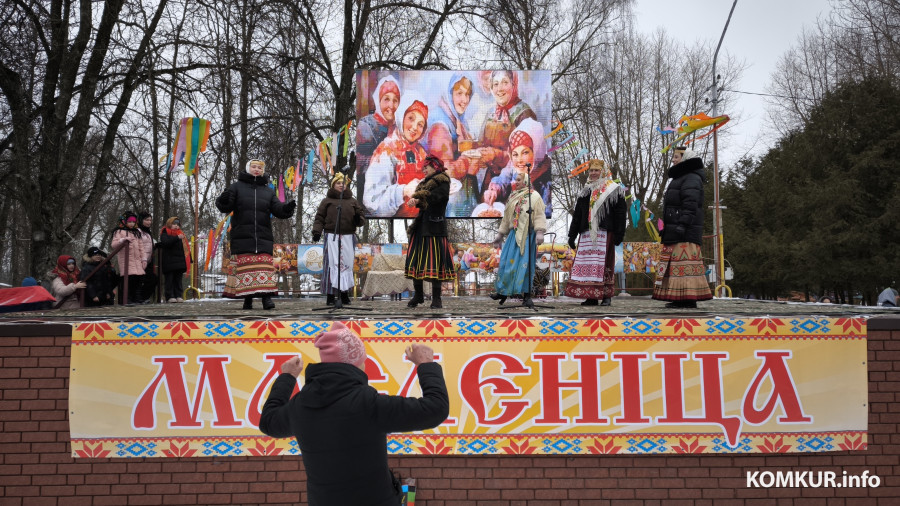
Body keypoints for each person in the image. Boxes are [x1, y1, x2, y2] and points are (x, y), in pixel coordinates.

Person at [259, 322, 449, 506]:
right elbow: (435, 408)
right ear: (355, 365)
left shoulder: (299, 405)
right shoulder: (368, 403)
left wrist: (287, 377)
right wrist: (426, 364)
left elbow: (268, 422)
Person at [216, 158, 296, 310]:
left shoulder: (268, 191)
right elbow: (225, 206)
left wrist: (287, 208)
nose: (257, 169)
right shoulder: (236, 187)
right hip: (242, 235)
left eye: (260, 167)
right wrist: (223, 199)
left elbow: (278, 209)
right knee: (247, 268)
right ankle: (247, 299)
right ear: (248, 168)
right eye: (254, 166)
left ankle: (267, 299)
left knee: (264, 268)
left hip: (263, 235)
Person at [652, 147, 713, 308]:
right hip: (677, 227)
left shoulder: (691, 178)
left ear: (686, 158)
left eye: (676, 157)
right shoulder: (682, 177)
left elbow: (691, 204)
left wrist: (683, 224)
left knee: (684, 264)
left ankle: (689, 299)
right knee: (677, 265)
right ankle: (681, 298)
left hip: (685, 230)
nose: (673, 159)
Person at [564, 159, 627, 306]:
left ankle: (606, 296)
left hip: (604, 233)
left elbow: (620, 213)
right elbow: (578, 215)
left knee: (603, 264)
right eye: (591, 170)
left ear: (603, 171)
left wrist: (619, 234)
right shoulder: (585, 191)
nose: (593, 173)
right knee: (589, 265)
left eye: (596, 170)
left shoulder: (614, 189)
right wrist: (572, 235)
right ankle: (591, 296)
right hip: (586, 234)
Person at [423, 73, 480, 216]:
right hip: (449, 204)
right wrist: (467, 161)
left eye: (467, 94)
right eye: (459, 93)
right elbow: (443, 171)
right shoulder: (440, 124)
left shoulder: (456, 118)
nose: (465, 100)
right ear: (449, 93)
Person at [489, 172, 547, 309]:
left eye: (519, 180)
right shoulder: (513, 196)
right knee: (505, 263)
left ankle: (527, 297)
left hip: (527, 236)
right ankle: (502, 292)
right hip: (513, 236)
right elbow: (506, 218)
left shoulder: (535, 196)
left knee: (525, 266)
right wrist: (500, 234)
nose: (517, 182)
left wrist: (539, 232)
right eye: (516, 180)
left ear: (526, 181)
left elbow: (539, 215)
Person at [404, 155, 455, 308]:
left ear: (435, 166)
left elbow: (437, 197)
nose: (423, 169)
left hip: (435, 227)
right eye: (423, 167)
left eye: (426, 166)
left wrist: (420, 200)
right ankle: (418, 295)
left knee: (435, 263)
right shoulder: (423, 184)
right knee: (416, 261)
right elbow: (422, 202)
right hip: (421, 226)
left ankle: (437, 298)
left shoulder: (443, 181)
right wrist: (415, 200)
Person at [363, 99, 429, 217]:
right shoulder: (386, 151)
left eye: (420, 124)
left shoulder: (420, 152)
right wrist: (404, 191)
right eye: (411, 118)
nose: (414, 127)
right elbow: (374, 204)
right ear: (401, 117)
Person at [476, 70, 538, 194]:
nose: (500, 89)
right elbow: (481, 143)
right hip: (490, 182)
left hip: (516, 181)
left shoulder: (524, 113)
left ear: (513, 84)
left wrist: (496, 155)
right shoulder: (491, 113)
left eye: (505, 82)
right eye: (495, 84)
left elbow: (531, 156)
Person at [312, 172, 366, 305]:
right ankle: (330, 295)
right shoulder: (327, 201)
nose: (341, 185)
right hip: (332, 236)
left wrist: (358, 219)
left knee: (346, 265)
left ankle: (344, 294)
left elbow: (361, 217)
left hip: (348, 236)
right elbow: (319, 218)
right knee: (331, 264)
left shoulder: (353, 201)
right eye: (338, 183)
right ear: (333, 185)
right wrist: (317, 232)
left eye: (343, 183)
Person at [483, 118, 551, 218]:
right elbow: (503, 179)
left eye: (525, 153)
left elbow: (545, 215)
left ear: (536, 151)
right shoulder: (513, 166)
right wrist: (494, 190)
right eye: (515, 154)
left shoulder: (546, 179)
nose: (519, 160)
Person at [356, 75, 401, 209]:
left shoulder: (399, 127)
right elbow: (362, 167)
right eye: (386, 99)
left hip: (395, 198)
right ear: (378, 100)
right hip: (372, 200)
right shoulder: (366, 125)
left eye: (395, 100)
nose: (391, 106)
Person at [111, 211, 149, 305]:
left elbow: (141, 247)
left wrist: (144, 259)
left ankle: (137, 299)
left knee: (138, 280)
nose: (132, 224)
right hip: (126, 260)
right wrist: (122, 240)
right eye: (129, 222)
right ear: (124, 221)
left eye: (133, 222)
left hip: (137, 261)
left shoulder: (136, 232)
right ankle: (127, 299)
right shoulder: (119, 231)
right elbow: (114, 244)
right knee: (129, 280)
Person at [158, 217, 192, 303]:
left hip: (179, 262)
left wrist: (189, 258)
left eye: (177, 224)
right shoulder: (165, 233)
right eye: (174, 224)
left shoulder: (181, 234)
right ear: (169, 224)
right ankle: (170, 296)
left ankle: (178, 295)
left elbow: (185, 248)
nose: (176, 226)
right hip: (169, 262)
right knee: (169, 280)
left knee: (178, 280)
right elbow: (166, 243)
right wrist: (177, 238)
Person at [136, 211, 157, 303]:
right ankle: (138, 298)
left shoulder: (148, 232)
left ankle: (143, 298)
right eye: (146, 220)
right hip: (138, 260)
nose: (149, 222)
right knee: (139, 280)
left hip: (147, 260)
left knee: (153, 279)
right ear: (140, 220)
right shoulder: (137, 231)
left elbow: (150, 245)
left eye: (150, 220)